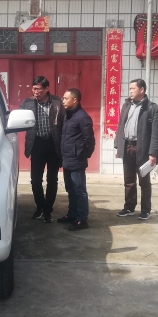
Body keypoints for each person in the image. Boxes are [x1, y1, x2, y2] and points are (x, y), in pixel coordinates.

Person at [114, 78, 158, 220]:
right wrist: (117, 145)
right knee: (129, 181)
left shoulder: (152, 108)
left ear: (142, 90)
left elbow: (155, 133)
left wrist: (152, 153)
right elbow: (120, 126)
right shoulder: (126, 105)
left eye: (132, 88)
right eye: (129, 88)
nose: (130, 91)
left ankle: (145, 210)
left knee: (144, 181)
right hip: (127, 147)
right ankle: (129, 207)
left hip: (142, 149)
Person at [19, 76, 65, 223]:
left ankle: (48, 210)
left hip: (53, 144)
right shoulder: (28, 103)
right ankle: (40, 206)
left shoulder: (57, 102)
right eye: (34, 89)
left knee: (52, 179)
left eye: (39, 89)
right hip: (36, 144)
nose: (36, 92)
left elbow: (65, 122)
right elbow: (18, 116)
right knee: (35, 179)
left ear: (46, 89)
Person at [57, 88, 95, 231]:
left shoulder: (82, 117)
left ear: (75, 100)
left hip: (77, 160)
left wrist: (83, 155)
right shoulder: (68, 115)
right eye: (63, 98)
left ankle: (82, 219)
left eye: (66, 98)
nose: (63, 101)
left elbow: (89, 140)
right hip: (67, 158)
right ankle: (72, 214)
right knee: (70, 189)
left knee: (79, 190)